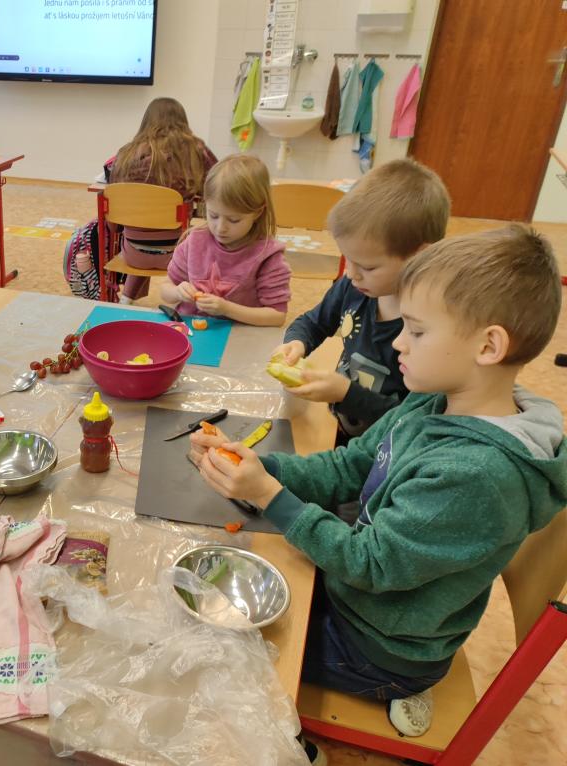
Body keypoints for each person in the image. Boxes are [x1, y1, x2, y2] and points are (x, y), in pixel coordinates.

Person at [192, 224, 567, 739]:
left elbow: (370, 563)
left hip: (379, 646)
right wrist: (265, 469)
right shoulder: (436, 395)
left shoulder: (475, 475)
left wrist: (269, 497)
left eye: (416, 331)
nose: (398, 343)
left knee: (219, 646)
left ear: (488, 345)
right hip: (364, 596)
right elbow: (351, 467)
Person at [272, 158, 450, 437]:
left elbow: (414, 421)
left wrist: (346, 394)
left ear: (419, 256)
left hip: (385, 447)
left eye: (368, 267)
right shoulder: (354, 287)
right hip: (341, 427)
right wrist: (297, 343)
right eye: (347, 259)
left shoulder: (429, 328)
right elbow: (313, 323)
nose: (351, 274)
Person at [66, 97, 217, 302]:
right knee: (189, 231)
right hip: (178, 255)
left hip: (133, 253)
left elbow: (113, 225)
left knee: (145, 225)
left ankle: (126, 299)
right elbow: (217, 183)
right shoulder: (196, 150)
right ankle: (186, 298)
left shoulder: (127, 153)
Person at [159, 154, 291, 326]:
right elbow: (165, 289)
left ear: (258, 212)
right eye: (213, 215)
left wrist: (227, 309)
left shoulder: (267, 256)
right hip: (190, 330)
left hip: (239, 335)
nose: (221, 228)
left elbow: (277, 316)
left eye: (234, 220)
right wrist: (177, 292)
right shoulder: (194, 242)